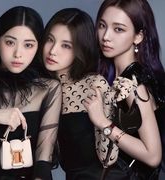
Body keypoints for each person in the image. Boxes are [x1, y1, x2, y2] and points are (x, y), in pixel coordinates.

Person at [0, 6, 62, 180]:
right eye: (10, 42)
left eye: (28, 45)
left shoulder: (49, 89)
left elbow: (43, 159)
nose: (18, 54)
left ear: (38, 47)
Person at [83, 0, 165, 179]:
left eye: (118, 29)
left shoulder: (133, 84)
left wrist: (103, 123)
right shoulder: (117, 77)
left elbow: (153, 156)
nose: (106, 36)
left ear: (138, 36)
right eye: (102, 26)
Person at [41, 8, 115, 180]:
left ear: (80, 49)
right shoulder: (41, 88)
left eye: (66, 45)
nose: (52, 51)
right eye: (50, 40)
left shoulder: (94, 84)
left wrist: (102, 121)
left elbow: (108, 158)